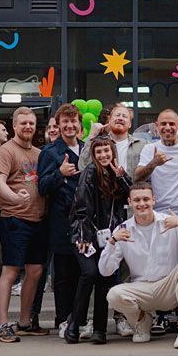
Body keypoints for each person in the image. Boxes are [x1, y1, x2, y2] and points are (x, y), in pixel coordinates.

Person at [101, 182, 178, 349]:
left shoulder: (169, 222)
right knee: (113, 295)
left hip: (168, 287)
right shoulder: (123, 229)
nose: (142, 204)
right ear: (130, 202)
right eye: (137, 200)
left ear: (153, 200)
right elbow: (105, 271)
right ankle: (142, 321)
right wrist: (112, 242)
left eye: (146, 199)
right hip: (141, 289)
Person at [68, 137, 132, 344]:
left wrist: (121, 177)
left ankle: (100, 329)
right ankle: (74, 323)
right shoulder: (89, 173)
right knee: (89, 273)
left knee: (105, 278)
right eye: (99, 152)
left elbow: (131, 195)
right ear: (94, 155)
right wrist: (83, 236)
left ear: (113, 152)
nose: (104, 155)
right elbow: (81, 207)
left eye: (107, 151)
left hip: (109, 237)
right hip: (87, 234)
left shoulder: (116, 173)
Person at [0, 107, 47, 343]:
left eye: (31, 123)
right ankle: (3, 325)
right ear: (14, 125)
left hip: (38, 220)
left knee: (35, 271)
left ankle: (24, 322)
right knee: (11, 271)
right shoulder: (5, 151)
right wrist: (14, 198)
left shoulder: (39, 153)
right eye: (23, 123)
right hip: (14, 219)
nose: (28, 127)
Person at [38, 103, 85, 332]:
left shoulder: (87, 149)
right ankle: (63, 319)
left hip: (86, 221)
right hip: (62, 221)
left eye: (73, 121)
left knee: (83, 272)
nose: (69, 125)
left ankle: (79, 319)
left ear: (80, 124)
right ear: (58, 125)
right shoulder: (50, 152)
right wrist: (60, 173)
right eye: (65, 121)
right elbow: (42, 186)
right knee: (64, 274)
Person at [135, 109, 178, 220]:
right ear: (157, 125)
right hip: (157, 215)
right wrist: (153, 164)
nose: (167, 128)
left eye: (171, 124)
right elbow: (137, 178)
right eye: (163, 124)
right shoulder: (149, 149)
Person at [79, 102, 149, 179]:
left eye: (124, 116)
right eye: (117, 115)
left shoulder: (143, 144)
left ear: (130, 124)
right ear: (110, 121)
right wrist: (91, 136)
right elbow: (83, 167)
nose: (120, 118)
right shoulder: (98, 144)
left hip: (134, 186)